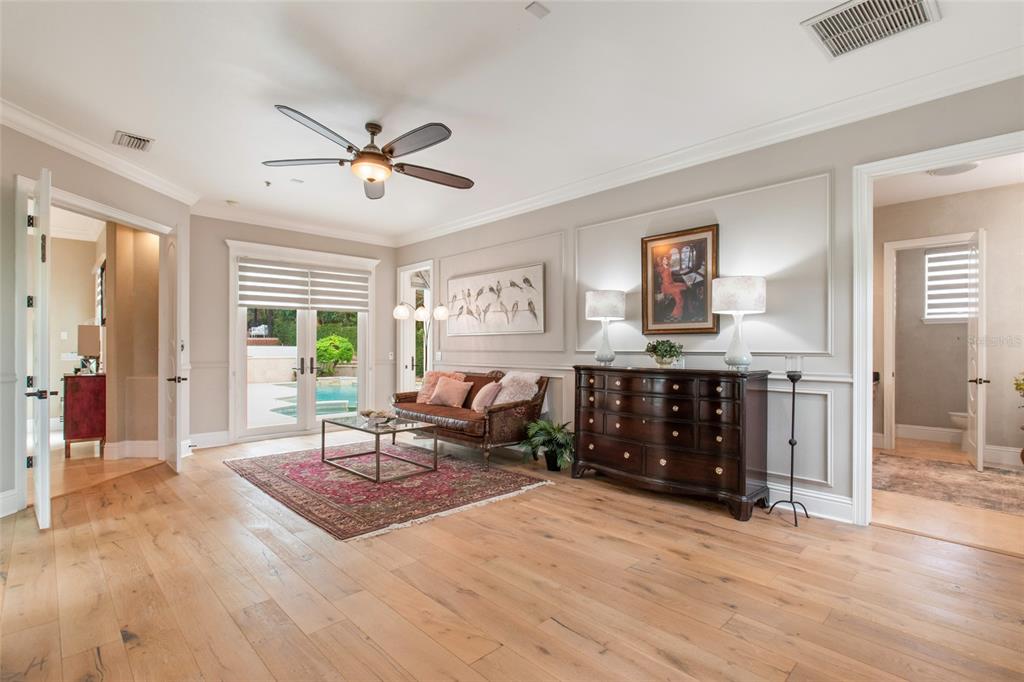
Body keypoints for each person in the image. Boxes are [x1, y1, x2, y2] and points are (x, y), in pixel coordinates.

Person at [656, 253, 688, 320]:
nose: (666, 260)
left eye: (666, 259)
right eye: (664, 260)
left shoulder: (668, 267)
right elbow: (657, 272)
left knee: (685, 285)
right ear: (661, 261)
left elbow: (671, 276)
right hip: (666, 286)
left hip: (672, 284)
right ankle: (677, 314)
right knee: (679, 293)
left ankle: (684, 310)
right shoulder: (661, 268)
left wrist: (681, 275)